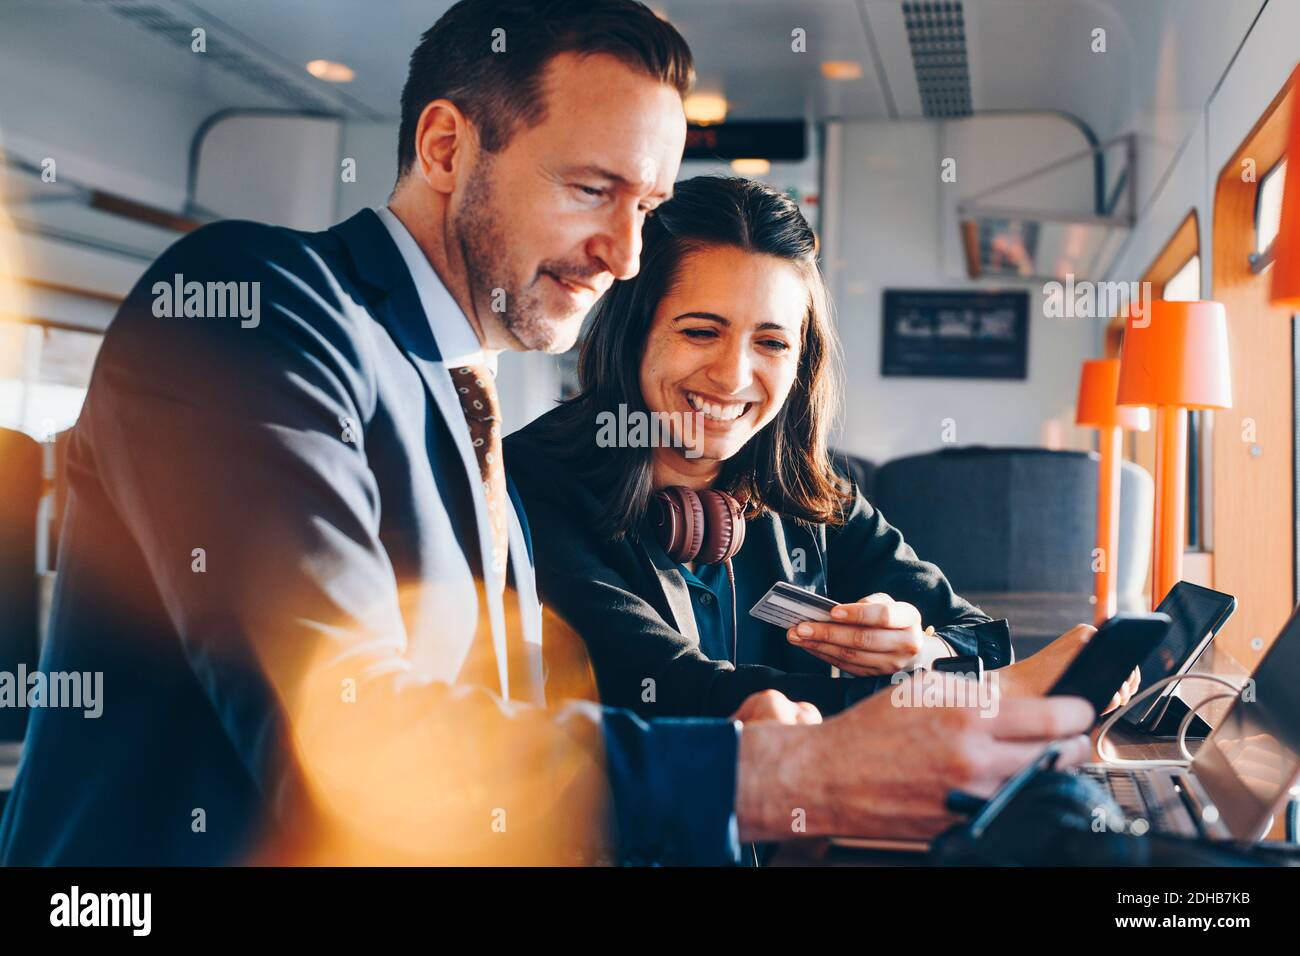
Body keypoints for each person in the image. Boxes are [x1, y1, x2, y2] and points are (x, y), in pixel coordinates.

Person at [0, 0, 1093, 866]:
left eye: (646, 206)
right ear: (444, 145)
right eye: (591, 188)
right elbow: (343, 735)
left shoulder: (460, 389)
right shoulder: (257, 304)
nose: (624, 252)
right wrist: (767, 771)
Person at [507, 175, 1132, 720]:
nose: (733, 376)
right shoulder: (533, 482)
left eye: (772, 344)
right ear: (631, 335)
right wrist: (984, 697)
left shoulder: (809, 493)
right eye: (701, 331)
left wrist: (926, 654)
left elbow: (978, 637)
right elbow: (670, 690)